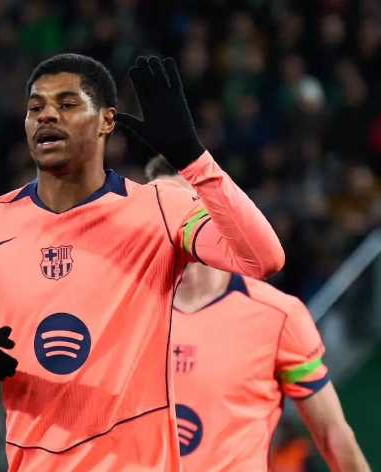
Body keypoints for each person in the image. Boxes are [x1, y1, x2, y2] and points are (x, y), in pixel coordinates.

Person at [0, 53, 285, 471]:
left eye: (67, 104)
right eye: (35, 107)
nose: (46, 115)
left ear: (107, 121)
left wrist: (193, 158)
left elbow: (262, 257)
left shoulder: (161, 208)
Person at [145, 155, 370, 472]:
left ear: (216, 213)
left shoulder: (278, 315)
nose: (171, 218)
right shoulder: (122, 308)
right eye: (159, 205)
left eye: (185, 204)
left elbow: (333, 435)